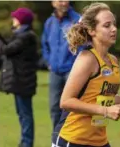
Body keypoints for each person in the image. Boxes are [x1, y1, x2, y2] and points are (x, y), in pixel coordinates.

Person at [51, 2, 120, 147]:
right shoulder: (87, 59)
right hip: (73, 139)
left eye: (114, 24)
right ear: (92, 31)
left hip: (99, 141)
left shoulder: (113, 60)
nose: (114, 29)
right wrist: (105, 111)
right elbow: (66, 102)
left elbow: (98, 97)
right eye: (107, 25)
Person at [0, 8, 38, 147]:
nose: (13, 20)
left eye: (15, 18)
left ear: (21, 21)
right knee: (22, 114)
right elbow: (8, 45)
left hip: (23, 81)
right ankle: (24, 142)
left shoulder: (25, 37)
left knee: (25, 115)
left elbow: (5, 50)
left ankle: (27, 143)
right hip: (20, 81)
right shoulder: (21, 35)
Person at [41, 0, 82, 133]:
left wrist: (78, 65)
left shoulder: (77, 19)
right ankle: (57, 138)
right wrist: (49, 62)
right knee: (54, 107)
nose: (63, 3)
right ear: (53, 3)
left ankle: (72, 137)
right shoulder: (49, 22)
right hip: (55, 72)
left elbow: (83, 44)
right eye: (60, 0)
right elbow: (45, 44)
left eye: (65, 0)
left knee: (72, 107)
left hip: (72, 71)